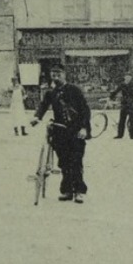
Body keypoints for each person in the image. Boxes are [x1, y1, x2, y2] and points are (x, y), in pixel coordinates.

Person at [31, 64, 92, 202]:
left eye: (58, 73)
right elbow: (43, 106)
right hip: (60, 132)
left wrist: (84, 128)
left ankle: (79, 191)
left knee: (76, 162)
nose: (55, 76)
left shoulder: (74, 90)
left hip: (76, 131)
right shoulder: (50, 93)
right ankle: (67, 191)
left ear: (64, 74)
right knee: (63, 162)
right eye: (53, 74)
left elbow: (85, 110)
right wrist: (37, 117)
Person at [113, 73, 133, 139]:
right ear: (124, 77)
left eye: (129, 77)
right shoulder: (122, 85)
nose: (128, 78)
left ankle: (132, 135)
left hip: (132, 104)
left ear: (131, 78)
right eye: (127, 77)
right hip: (124, 104)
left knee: (131, 121)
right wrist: (110, 97)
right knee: (122, 120)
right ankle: (120, 135)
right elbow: (116, 91)